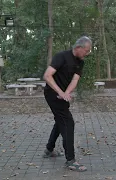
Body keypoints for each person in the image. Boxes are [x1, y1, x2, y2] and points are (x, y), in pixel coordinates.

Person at [42, 36, 92, 172]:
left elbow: (75, 79)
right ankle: (70, 160)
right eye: (86, 51)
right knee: (68, 122)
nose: (87, 53)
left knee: (60, 121)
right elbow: (47, 75)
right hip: (52, 94)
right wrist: (60, 92)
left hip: (62, 95)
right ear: (78, 48)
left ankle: (49, 149)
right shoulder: (61, 56)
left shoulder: (80, 62)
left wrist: (67, 93)